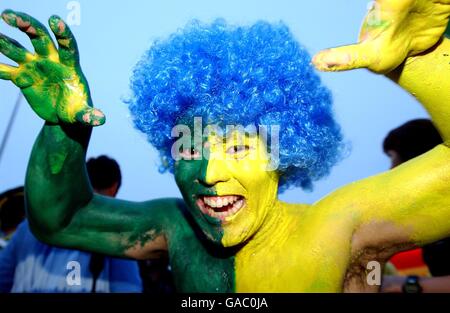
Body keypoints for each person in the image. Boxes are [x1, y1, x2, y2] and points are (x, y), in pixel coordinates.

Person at [0, 0, 449, 292]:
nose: (210, 173)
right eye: (190, 147)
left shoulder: (339, 228)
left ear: (282, 152)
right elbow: (60, 219)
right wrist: (64, 128)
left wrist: (421, 65)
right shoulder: (176, 229)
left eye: (237, 148)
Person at [0, 156, 142, 293]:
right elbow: (127, 287)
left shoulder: (27, 228)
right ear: (113, 187)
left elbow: (3, 278)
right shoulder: (115, 234)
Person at [381, 120, 450, 293]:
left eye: (393, 158)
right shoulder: (423, 218)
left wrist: (406, 284)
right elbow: (374, 263)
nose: (390, 170)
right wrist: (374, 278)